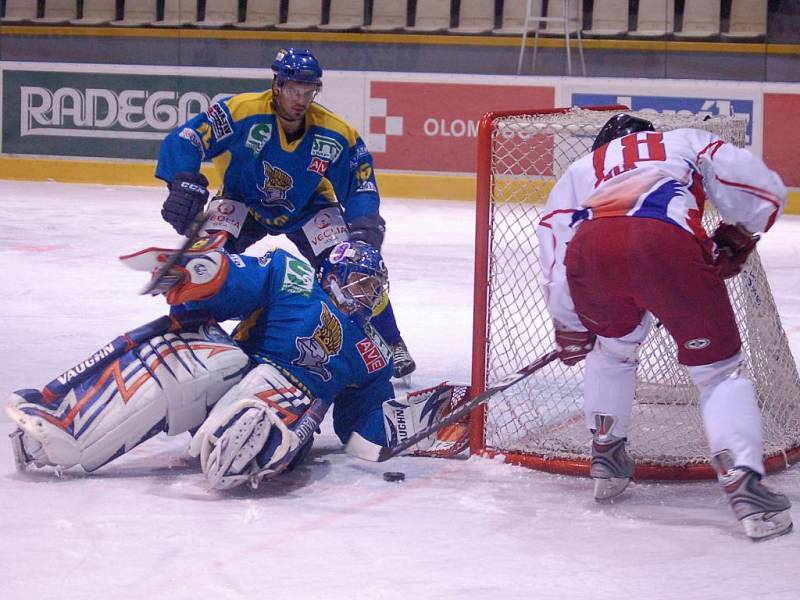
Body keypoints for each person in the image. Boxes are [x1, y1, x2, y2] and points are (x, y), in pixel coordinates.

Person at [5, 239, 454, 490]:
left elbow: (363, 429)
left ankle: (253, 439)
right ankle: (68, 428)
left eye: (375, 287)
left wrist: (417, 418)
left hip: (293, 407)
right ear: (332, 276)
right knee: (193, 355)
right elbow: (238, 282)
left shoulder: (372, 351)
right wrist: (201, 275)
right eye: (360, 281)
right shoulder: (295, 277)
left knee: (275, 403)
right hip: (232, 373)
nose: (368, 294)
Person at [536, 113, 792, 541]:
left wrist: (568, 322)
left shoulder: (585, 167)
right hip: (664, 244)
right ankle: (746, 485)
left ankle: (607, 456)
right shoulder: (686, 140)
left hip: (592, 252)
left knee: (611, 350)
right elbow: (762, 187)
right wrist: (739, 232)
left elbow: (555, 237)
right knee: (719, 371)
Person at [155, 47, 416, 381]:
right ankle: (186, 335)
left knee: (355, 267)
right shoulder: (241, 111)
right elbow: (188, 138)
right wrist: (182, 181)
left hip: (309, 206)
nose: (301, 99)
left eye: (309, 92)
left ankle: (391, 341)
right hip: (243, 201)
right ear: (277, 85)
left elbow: (360, 181)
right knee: (204, 260)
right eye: (294, 90)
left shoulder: (334, 133)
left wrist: (364, 223)